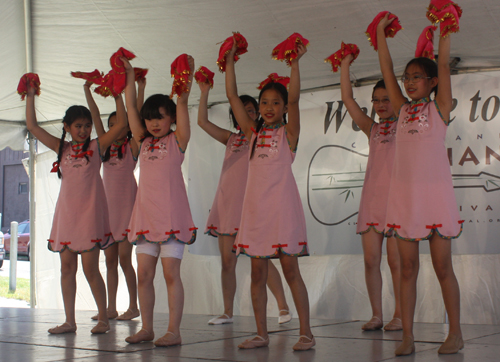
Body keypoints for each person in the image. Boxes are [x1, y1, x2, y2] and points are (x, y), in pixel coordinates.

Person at [377, 13, 463, 355]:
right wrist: (380, 37)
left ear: (432, 83)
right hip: (404, 200)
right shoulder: (400, 110)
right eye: (406, 78)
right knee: (407, 268)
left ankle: (455, 333)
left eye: (417, 78)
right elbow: (385, 71)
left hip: (436, 199)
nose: (409, 82)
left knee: (443, 267)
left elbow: (443, 63)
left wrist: (445, 30)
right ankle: (408, 336)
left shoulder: (439, 108)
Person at [225, 41, 314, 351]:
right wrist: (229, 61)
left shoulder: (288, 134)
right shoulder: (252, 133)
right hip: (255, 213)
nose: (269, 108)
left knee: (290, 270)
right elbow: (234, 97)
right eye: (264, 102)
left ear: (285, 107)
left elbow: (297, 97)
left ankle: (306, 332)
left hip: (283, 210)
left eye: (276, 103)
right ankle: (261, 333)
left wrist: (294, 65)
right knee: (257, 273)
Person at [25, 79, 128, 334]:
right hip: (66, 218)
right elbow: (32, 126)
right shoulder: (61, 148)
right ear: (67, 127)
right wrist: (30, 96)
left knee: (91, 269)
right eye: (78, 126)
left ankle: (104, 317)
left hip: (89, 218)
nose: (83, 130)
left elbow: (123, 124)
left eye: (87, 125)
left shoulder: (97, 145)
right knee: (66, 269)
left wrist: (117, 95)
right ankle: (69, 321)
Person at [197, 82, 291, 326]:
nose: (248, 114)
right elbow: (202, 123)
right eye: (243, 111)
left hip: (253, 206)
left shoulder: (260, 137)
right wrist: (205, 91)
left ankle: (283, 307)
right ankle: (228, 312)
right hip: (227, 206)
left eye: (251, 110)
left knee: (262, 259)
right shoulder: (231, 139)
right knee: (227, 262)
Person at [122, 55, 197, 347]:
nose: (154, 123)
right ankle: (147, 328)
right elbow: (130, 107)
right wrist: (129, 75)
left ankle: (174, 331)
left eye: (161, 117)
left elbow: (181, 103)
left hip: (172, 219)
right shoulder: (142, 141)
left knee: (170, 274)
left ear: (172, 120)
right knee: (143, 275)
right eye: (150, 118)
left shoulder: (178, 140)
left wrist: (184, 81)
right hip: (145, 219)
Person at [339, 55, 402, 332]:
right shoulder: (372, 128)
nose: (380, 105)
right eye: (376, 100)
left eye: (386, 99)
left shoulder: (407, 124)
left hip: (398, 202)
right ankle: (377, 314)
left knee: (397, 262)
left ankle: (400, 314)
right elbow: (349, 101)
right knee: (370, 260)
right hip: (372, 202)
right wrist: (344, 67)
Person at [83, 81, 140, 321]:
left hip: (127, 213)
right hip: (109, 214)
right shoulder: (102, 150)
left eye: (120, 125)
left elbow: (135, 114)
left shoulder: (132, 148)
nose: (115, 129)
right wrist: (87, 91)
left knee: (126, 261)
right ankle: (110, 308)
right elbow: (95, 116)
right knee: (110, 262)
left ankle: (134, 306)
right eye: (111, 126)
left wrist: (135, 89)